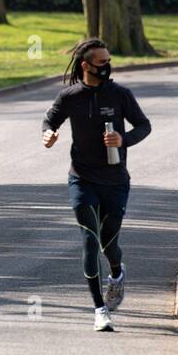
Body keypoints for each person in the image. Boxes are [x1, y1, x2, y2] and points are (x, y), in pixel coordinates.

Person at [41, 38, 151, 332]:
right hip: (82, 178)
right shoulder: (70, 96)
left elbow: (144, 125)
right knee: (90, 239)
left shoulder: (120, 95)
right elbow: (49, 121)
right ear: (86, 65)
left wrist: (123, 139)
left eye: (109, 60)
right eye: (102, 62)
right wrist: (48, 135)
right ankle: (100, 310)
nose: (108, 66)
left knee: (109, 244)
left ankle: (117, 273)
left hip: (115, 181)